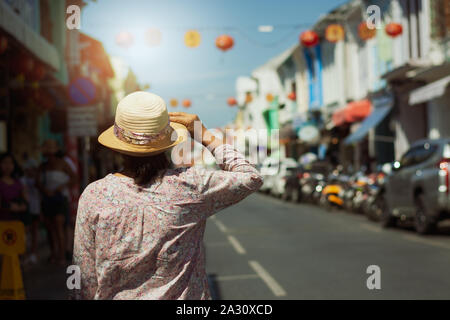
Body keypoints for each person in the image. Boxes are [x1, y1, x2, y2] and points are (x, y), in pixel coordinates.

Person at [72, 92, 263, 300]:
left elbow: (80, 276)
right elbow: (250, 176)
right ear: (167, 141)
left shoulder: (94, 194)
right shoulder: (189, 185)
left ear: (119, 145)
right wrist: (204, 135)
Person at [38, 140, 76, 265]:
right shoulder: (43, 166)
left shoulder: (63, 164)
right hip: (47, 200)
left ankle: (61, 254)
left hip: (60, 199)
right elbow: (37, 182)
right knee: (50, 228)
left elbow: (74, 178)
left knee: (59, 226)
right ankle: (54, 253)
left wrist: (62, 187)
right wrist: (45, 190)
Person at [21, 158, 41, 264]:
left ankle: (33, 253)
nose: (30, 171)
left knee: (34, 231)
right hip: (27, 209)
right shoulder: (23, 180)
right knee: (26, 232)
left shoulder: (37, 180)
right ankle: (25, 254)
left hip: (36, 208)